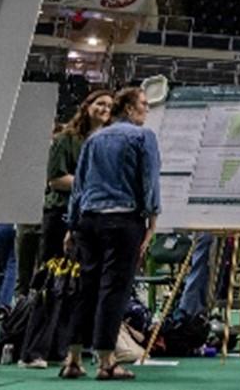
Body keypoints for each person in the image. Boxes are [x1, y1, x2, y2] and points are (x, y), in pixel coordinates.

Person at [63, 85, 160, 381]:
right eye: (143, 104)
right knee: (114, 290)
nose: (147, 109)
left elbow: (79, 185)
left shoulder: (93, 139)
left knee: (86, 288)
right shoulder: (143, 137)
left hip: (89, 221)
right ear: (129, 109)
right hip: (123, 220)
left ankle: (73, 358)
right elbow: (149, 180)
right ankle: (107, 361)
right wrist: (152, 219)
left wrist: (71, 224)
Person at [41, 90, 114, 282]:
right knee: (55, 275)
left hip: (94, 216)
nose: (105, 108)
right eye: (100, 103)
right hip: (61, 213)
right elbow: (56, 179)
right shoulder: (65, 139)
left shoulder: (111, 142)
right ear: (87, 107)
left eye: (109, 106)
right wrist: (94, 184)